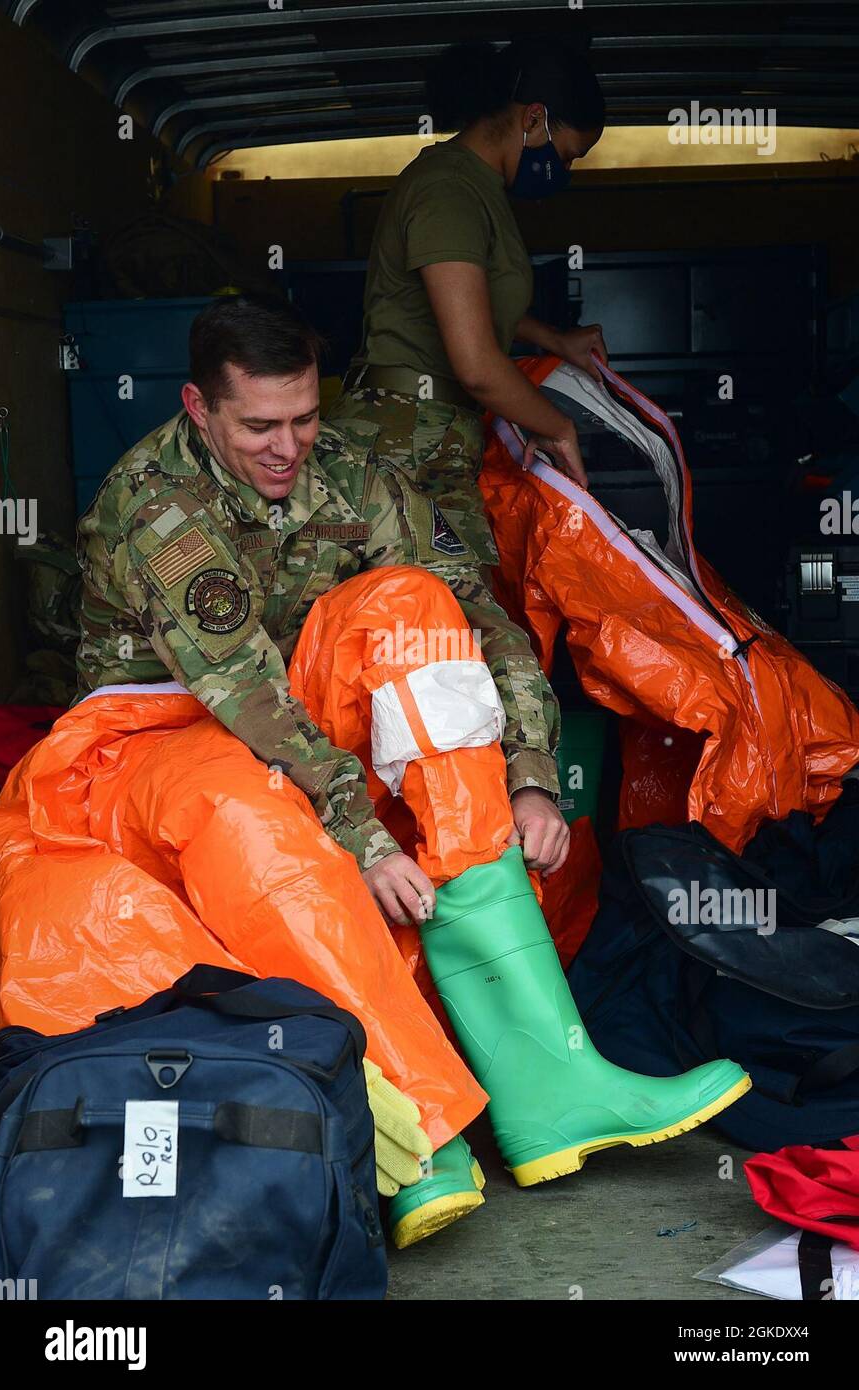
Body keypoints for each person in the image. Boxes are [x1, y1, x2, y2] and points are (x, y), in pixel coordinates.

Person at [74, 294, 750, 1248]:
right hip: (152, 738)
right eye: (259, 426)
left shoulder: (356, 476)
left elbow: (477, 620)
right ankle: (422, 1136)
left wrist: (528, 776)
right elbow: (245, 693)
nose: (288, 446)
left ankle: (551, 1084)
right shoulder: (156, 506)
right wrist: (357, 836)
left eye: (304, 418)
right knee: (254, 818)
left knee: (415, 596)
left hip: (298, 717)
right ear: (197, 407)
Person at [327, 36, 608, 569]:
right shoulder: (449, 190)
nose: (564, 172)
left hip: (429, 434)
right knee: (462, 625)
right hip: (403, 439)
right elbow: (477, 365)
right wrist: (557, 427)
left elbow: (465, 302)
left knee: (454, 622)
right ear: (534, 119)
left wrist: (552, 339)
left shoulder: (474, 187)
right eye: (568, 155)